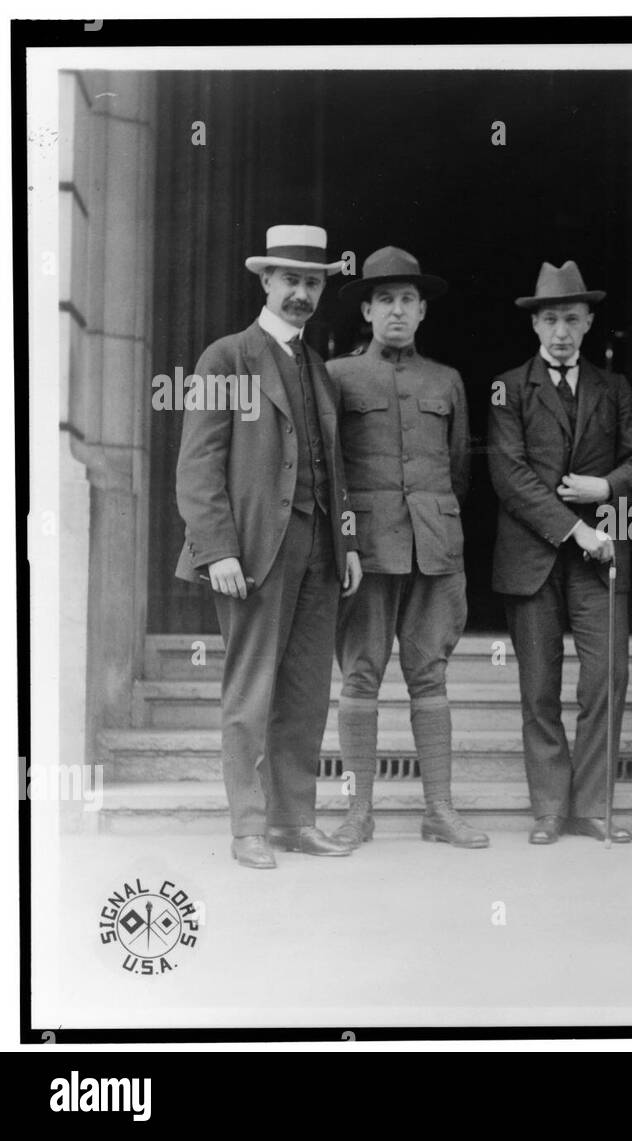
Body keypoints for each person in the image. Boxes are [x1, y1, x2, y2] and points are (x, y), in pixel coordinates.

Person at [174, 224, 362, 869]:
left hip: (318, 549)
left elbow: (335, 469)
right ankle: (248, 827)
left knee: (307, 690)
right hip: (252, 552)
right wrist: (217, 549)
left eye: (313, 283)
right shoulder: (225, 358)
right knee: (251, 690)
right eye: (292, 280)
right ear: (266, 282)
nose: (303, 293)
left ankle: (294, 820)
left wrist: (348, 542)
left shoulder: (319, 368)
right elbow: (198, 466)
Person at [327, 246, 487, 850]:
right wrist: (344, 541)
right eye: (385, 300)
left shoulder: (445, 380)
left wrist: (436, 521)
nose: (397, 311)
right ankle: (356, 812)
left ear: (422, 311)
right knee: (360, 679)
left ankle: (439, 811)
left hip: (435, 547)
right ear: (366, 310)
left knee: (432, 678)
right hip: (365, 551)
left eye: (408, 300)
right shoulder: (337, 377)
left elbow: (458, 469)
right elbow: (332, 471)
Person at [487, 261, 632, 845]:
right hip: (538, 557)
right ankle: (550, 809)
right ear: (535, 324)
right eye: (551, 319)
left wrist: (606, 490)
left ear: (589, 323)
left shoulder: (615, 387)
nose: (561, 331)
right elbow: (510, 475)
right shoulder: (507, 387)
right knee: (539, 688)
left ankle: (593, 806)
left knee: (608, 678)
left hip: (600, 561)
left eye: (572, 320)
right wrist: (576, 529)